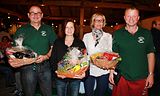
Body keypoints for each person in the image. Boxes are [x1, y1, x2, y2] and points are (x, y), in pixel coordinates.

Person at [9, 5, 57, 96]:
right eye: (32, 13)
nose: (36, 15)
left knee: (48, 93)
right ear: (28, 15)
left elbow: (53, 46)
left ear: (42, 15)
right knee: (29, 93)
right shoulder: (21, 30)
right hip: (28, 68)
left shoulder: (48, 29)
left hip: (45, 66)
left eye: (38, 13)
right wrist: (14, 60)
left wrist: (46, 56)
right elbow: (15, 50)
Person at [109, 7, 155, 96]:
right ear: (124, 18)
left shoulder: (146, 33)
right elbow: (115, 54)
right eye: (128, 16)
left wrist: (151, 74)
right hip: (122, 77)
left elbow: (150, 54)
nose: (131, 19)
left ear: (138, 18)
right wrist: (111, 72)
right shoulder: (117, 34)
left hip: (141, 77)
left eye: (134, 16)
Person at [50, 19, 86, 96]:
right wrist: (57, 72)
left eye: (71, 27)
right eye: (67, 27)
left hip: (75, 78)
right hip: (61, 78)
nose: (69, 30)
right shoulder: (57, 42)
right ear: (63, 29)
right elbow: (53, 60)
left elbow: (84, 60)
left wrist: (84, 73)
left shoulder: (80, 43)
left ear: (74, 29)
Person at [82, 13, 112, 96]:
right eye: (97, 20)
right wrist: (91, 59)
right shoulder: (86, 36)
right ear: (93, 22)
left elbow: (110, 52)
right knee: (88, 94)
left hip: (103, 70)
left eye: (101, 21)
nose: (99, 23)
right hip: (90, 70)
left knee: (100, 94)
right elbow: (83, 53)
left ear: (103, 23)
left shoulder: (108, 36)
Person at [150, 18, 160, 95]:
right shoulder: (157, 33)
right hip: (157, 57)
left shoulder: (148, 33)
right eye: (159, 24)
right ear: (154, 25)